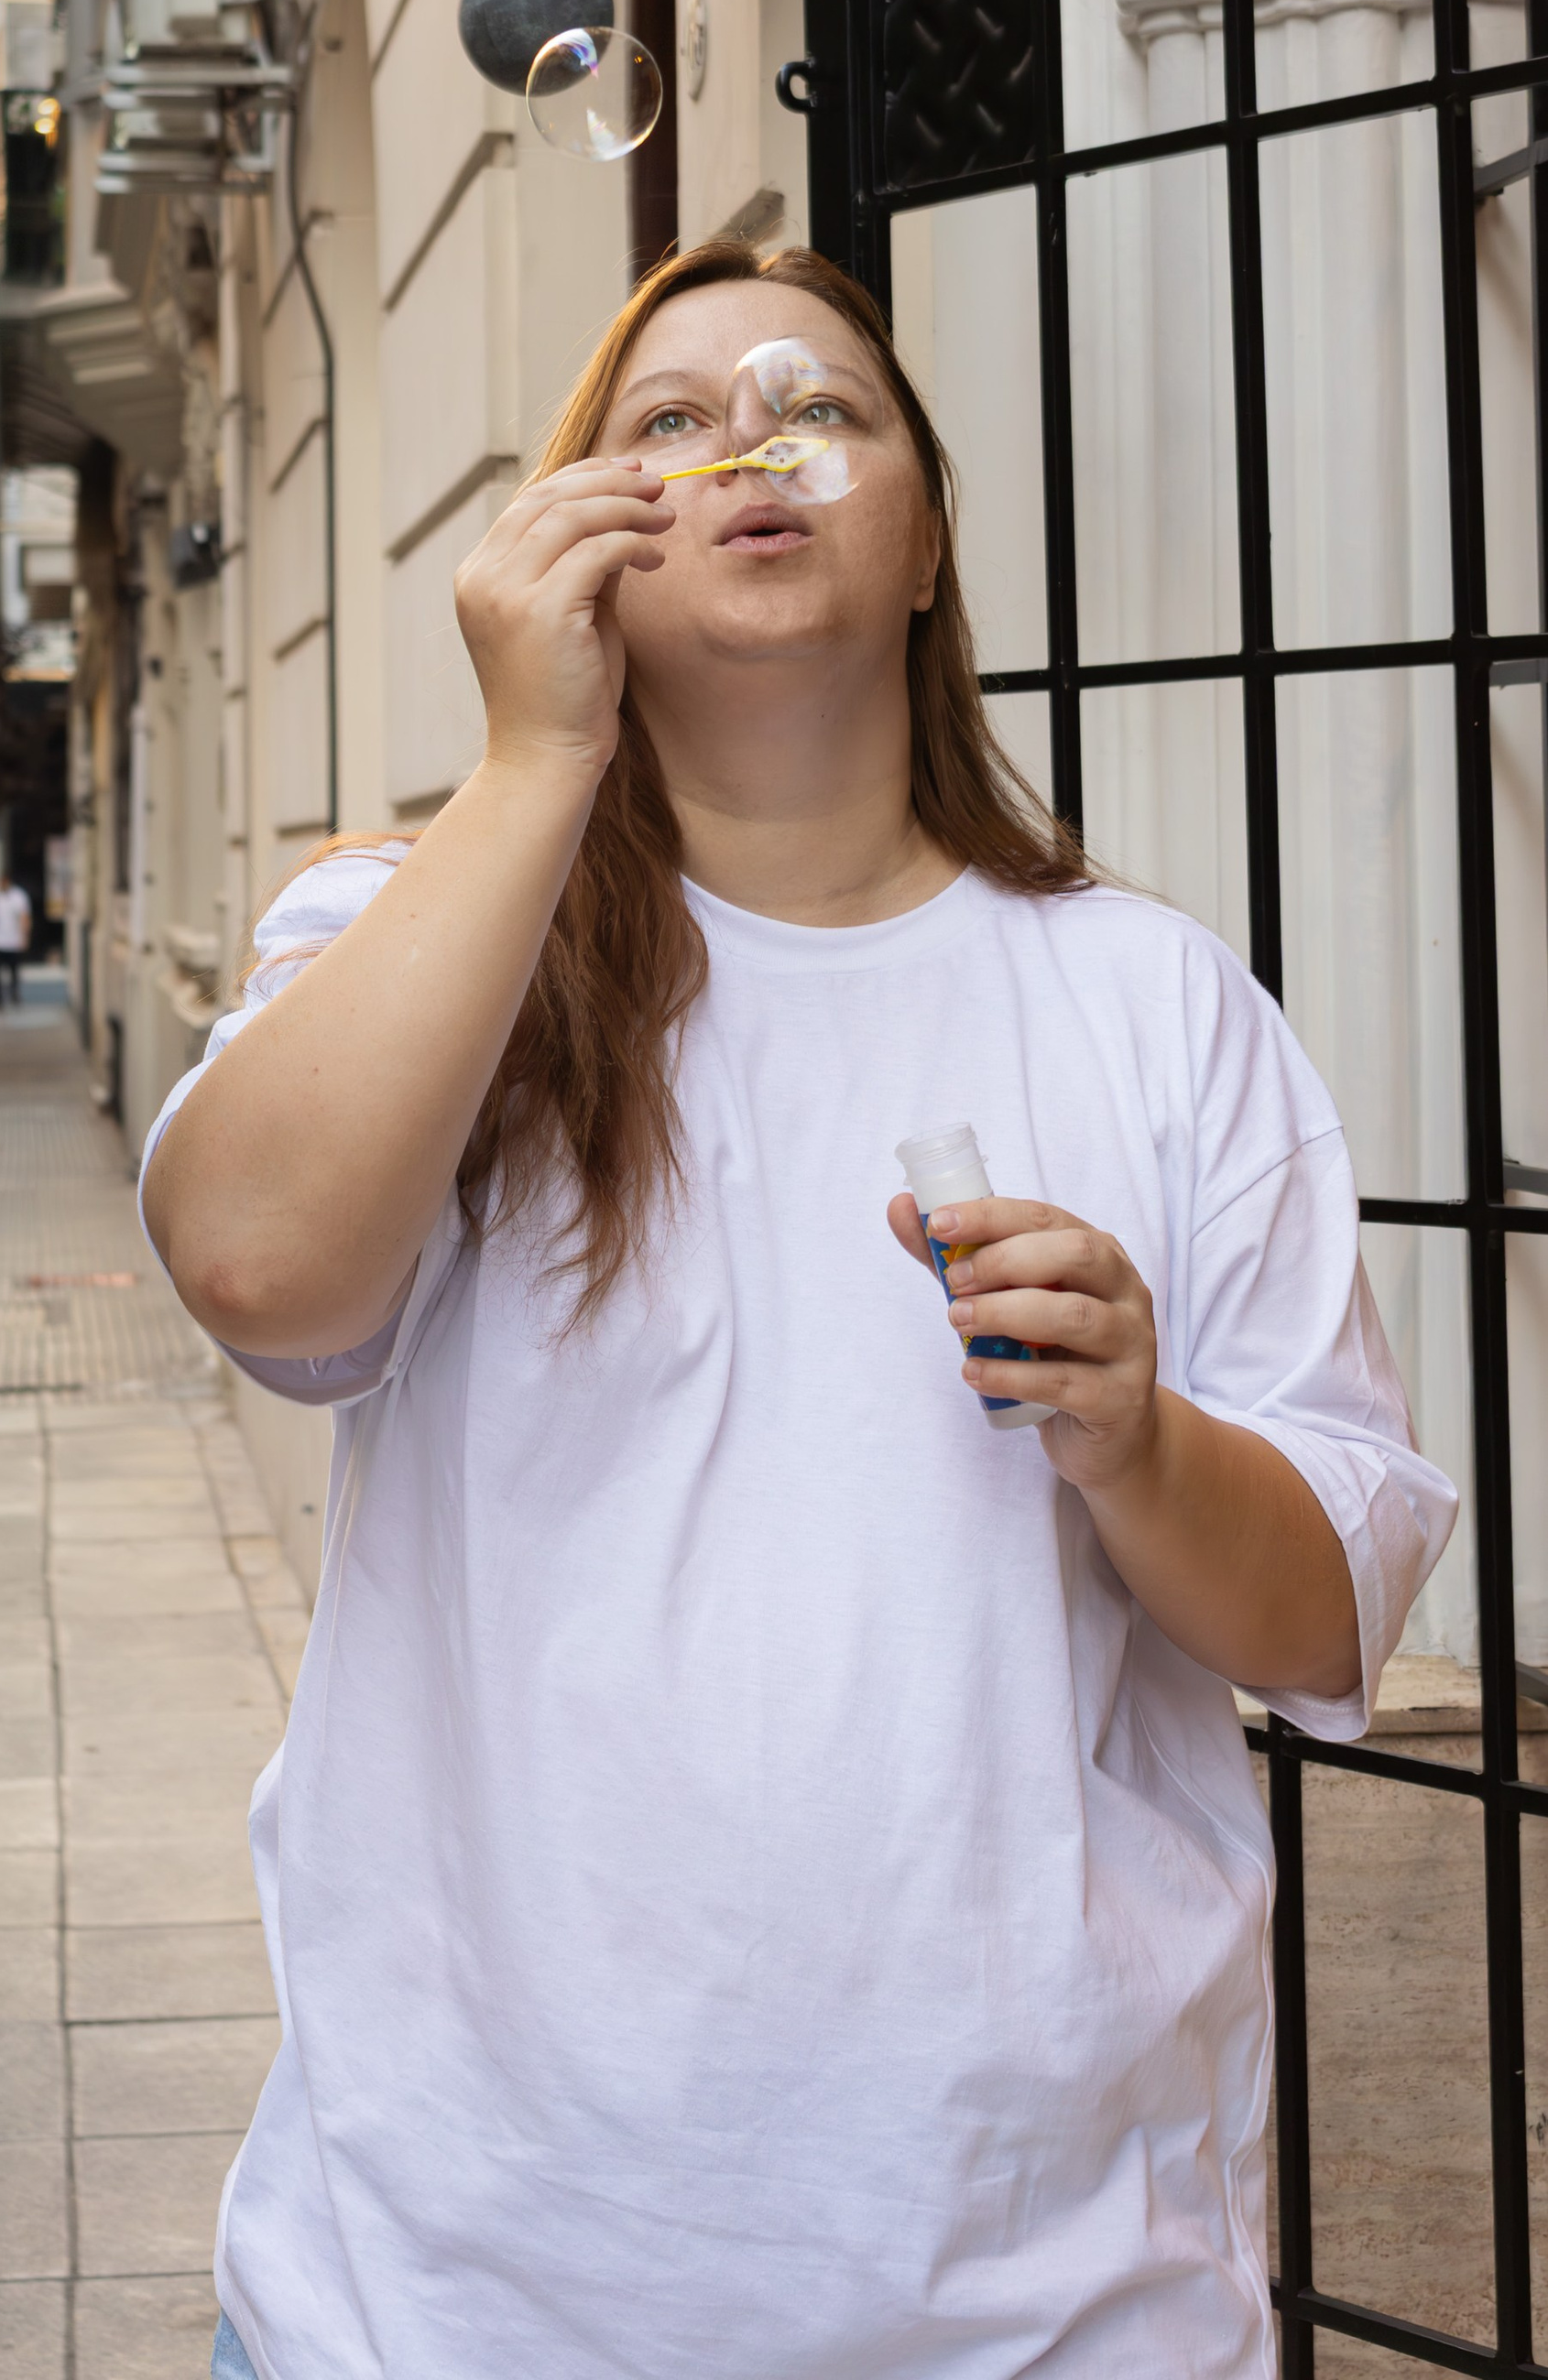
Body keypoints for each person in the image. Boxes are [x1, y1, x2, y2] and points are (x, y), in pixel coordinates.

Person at [143, 238, 1455, 2380]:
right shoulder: (422, 923)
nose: (748, 440)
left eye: (820, 407)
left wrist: (1138, 1433)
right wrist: (524, 764)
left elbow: (1323, 1619)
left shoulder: (1144, 998)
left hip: (1048, 2302)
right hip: (461, 2292)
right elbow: (258, 1263)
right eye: (662, 421)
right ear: (575, 541)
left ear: (925, 539)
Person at [0, 870, 32, 1009]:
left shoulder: (18, 896)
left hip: (13, 941)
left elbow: (25, 918)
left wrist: (25, 937)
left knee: (14, 972)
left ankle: (14, 994)